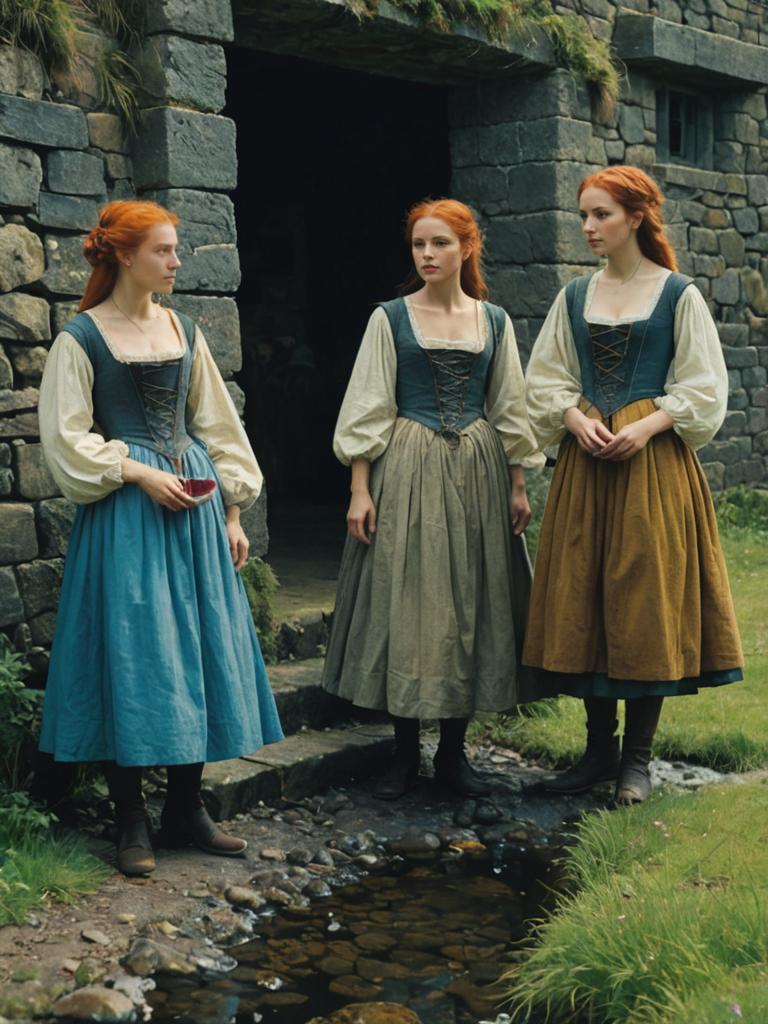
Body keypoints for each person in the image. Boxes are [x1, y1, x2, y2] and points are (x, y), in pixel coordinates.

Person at [37, 200, 283, 874]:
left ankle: (186, 807)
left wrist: (233, 512)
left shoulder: (184, 329)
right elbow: (66, 440)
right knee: (134, 654)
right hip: (127, 517)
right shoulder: (82, 338)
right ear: (123, 254)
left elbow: (218, 426)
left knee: (197, 646)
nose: (177, 262)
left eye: (176, 251)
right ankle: (130, 821)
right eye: (165, 251)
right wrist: (136, 471)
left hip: (195, 514)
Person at [523, 166, 743, 805]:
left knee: (645, 599)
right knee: (587, 594)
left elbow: (704, 385)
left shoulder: (678, 295)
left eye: (601, 215)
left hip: (651, 469)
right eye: (584, 216)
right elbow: (545, 378)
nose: (588, 227)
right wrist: (572, 418)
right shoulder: (574, 298)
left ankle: (636, 763)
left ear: (637, 217)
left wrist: (647, 426)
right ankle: (597, 754)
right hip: (588, 470)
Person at [322, 198, 544, 800]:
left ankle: (452, 756)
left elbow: (509, 404)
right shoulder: (389, 319)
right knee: (410, 601)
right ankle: (404, 755)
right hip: (409, 464)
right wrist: (360, 489)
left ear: (467, 247)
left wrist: (519, 483)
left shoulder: (492, 321)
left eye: (439, 244)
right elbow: (368, 405)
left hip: (477, 468)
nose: (427, 255)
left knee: (469, 602)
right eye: (419, 245)